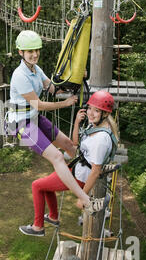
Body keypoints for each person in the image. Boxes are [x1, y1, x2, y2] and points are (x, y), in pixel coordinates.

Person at [6, 30, 108, 237]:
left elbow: (53, 88)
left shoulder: (35, 69)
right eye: (29, 51)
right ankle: (85, 200)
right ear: (20, 52)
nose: (34, 54)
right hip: (21, 125)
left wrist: (76, 82)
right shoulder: (20, 75)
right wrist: (66, 103)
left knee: (70, 145)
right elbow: (40, 104)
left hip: (33, 119)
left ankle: (87, 175)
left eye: (36, 50)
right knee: (58, 157)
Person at [19, 90, 118, 236]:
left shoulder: (101, 139)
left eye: (96, 111)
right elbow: (75, 144)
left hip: (79, 178)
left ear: (105, 114)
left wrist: (83, 197)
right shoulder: (96, 127)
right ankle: (53, 217)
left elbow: (95, 171)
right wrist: (77, 122)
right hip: (76, 170)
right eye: (90, 108)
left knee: (37, 186)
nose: (91, 113)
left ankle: (37, 227)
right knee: (45, 186)